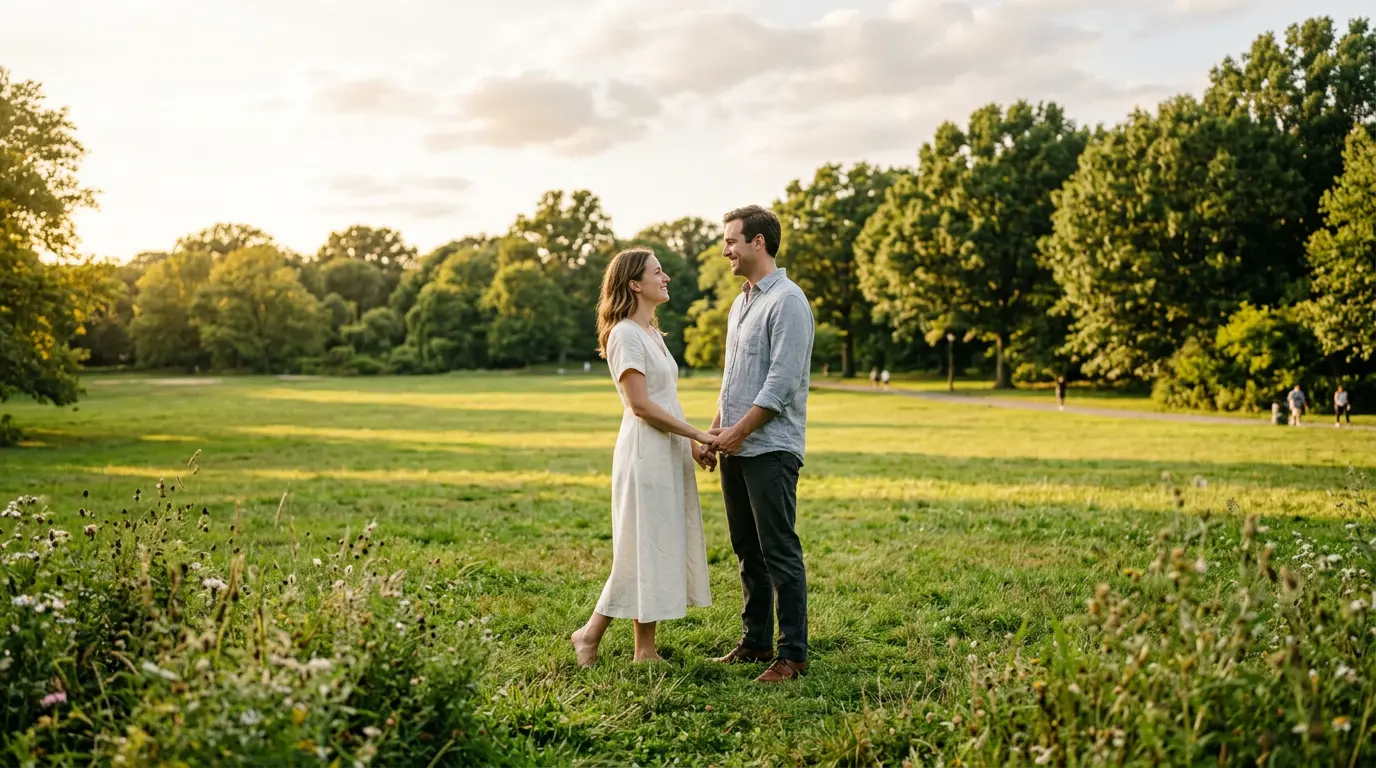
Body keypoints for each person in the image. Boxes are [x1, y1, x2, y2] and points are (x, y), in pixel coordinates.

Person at [570, 247, 715, 667]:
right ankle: (592, 635)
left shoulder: (650, 332)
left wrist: (692, 446)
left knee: (653, 546)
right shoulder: (625, 334)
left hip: (667, 449)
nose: (666, 277)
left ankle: (642, 650)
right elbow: (641, 406)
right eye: (657, 272)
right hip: (644, 454)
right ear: (635, 283)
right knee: (642, 546)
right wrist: (699, 433)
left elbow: (666, 398)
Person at [706, 205, 815, 683]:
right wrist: (714, 432)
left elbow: (780, 384)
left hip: (770, 448)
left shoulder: (788, 301)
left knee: (778, 551)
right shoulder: (741, 302)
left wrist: (738, 432)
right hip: (736, 445)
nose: (725, 249)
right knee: (747, 549)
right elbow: (734, 380)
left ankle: (792, 655)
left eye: (732, 240)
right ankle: (755, 642)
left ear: (758, 243)